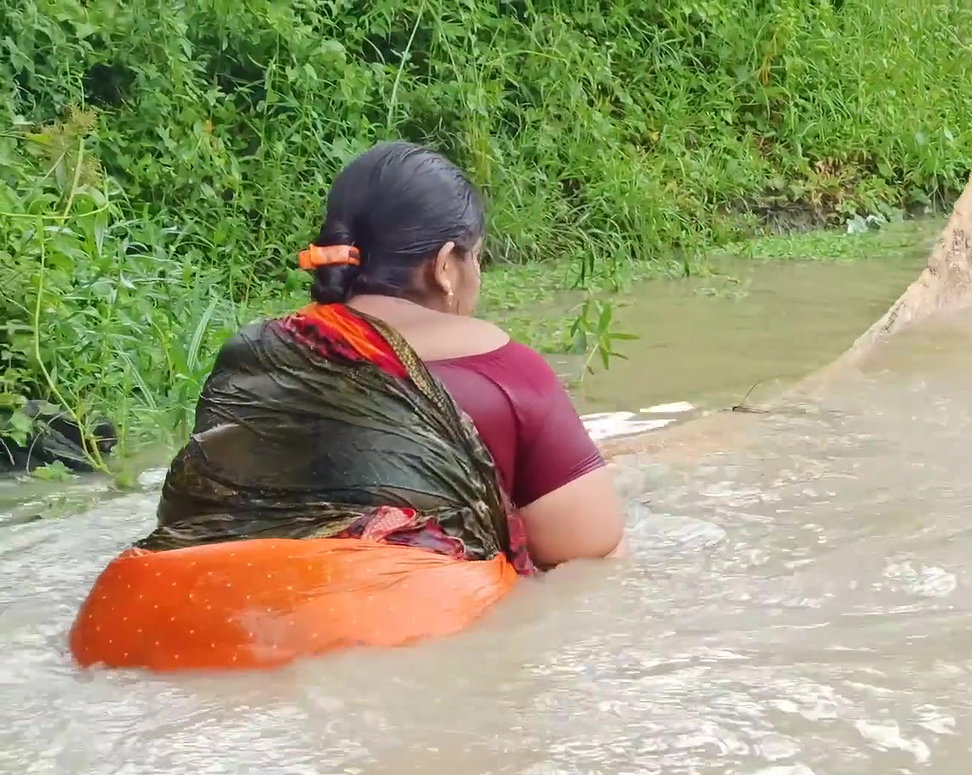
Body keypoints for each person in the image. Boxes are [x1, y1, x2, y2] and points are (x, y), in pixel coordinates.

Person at [69, 141, 625, 671]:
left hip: (162, 621)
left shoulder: (258, 354)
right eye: (476, 258)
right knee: (600, 565)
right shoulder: (502, 370)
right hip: (387, 632)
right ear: (445, 265)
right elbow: (587, 540)